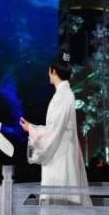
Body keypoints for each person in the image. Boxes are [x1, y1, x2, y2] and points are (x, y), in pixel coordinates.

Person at [20, 52, 91, 206]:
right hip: (61, 151)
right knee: (60, 208)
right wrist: (31, 128)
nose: (48, 73)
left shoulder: (63, 96)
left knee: (60, 207)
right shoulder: (63, 94)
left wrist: (31, 129)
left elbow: (55, 131)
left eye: (49, 70)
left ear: (53, 71)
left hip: (60, 155)